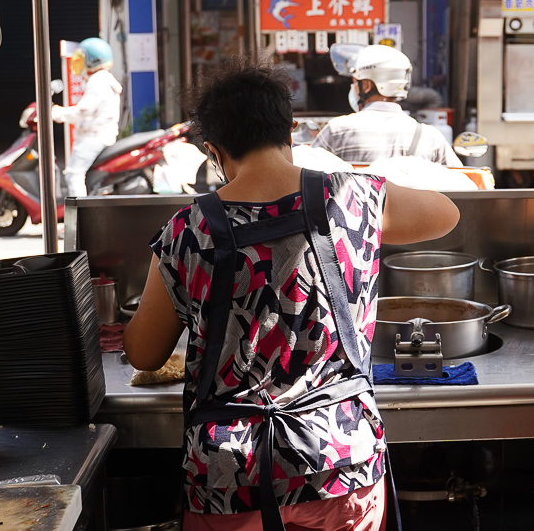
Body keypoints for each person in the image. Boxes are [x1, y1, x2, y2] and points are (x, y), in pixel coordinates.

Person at [123, 60, 460, 531]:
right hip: (340, 461)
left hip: (230, 476)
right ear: (292, 129)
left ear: (213, 151)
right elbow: (447, 214)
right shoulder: (352, 197)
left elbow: (143, 352)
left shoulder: (188, 229)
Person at [310, 44, 463, 166]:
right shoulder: (431, 137)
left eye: (356, 82)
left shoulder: (337, 131)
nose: (354, 88)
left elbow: (307, 179)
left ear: (367, 85)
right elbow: (459, 184)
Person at [52, 37, 123, 196]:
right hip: (102, 135)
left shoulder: (97, 81)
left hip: (93, 137)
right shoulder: (104, 79)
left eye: (82, 59)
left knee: (73, 174)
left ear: (93, 60)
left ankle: (80, 216)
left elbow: (82, 111)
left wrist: (57, 113)